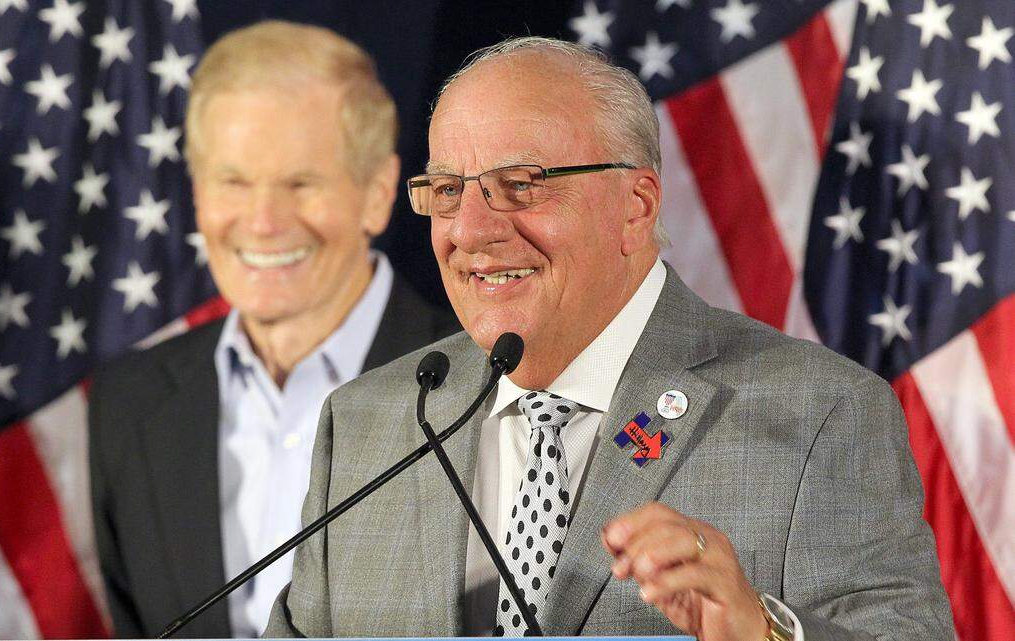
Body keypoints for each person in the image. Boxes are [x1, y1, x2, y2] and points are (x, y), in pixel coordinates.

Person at [263, 37, 953, 640]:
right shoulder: (367, 425)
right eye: (447, 190)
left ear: (637, 206)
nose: (469, 232)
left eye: (520, 185)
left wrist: (761, 631)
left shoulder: (819, 413)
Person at [88, 21, 458, 638]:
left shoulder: (485, 387)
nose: (262, 223)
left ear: (378, 192)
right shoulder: (130, 404)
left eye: (300, 183)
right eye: (233, 181)